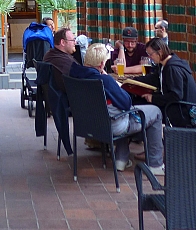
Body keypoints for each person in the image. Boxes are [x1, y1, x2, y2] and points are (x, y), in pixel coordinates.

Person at [70, 43, 164, 174]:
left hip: (87, 125)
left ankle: (121, 159)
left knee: (116, 111)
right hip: (111, 126)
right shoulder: (105, 81)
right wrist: (114, 84)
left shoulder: (74, 76)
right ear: (102, 64)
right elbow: (126, 103)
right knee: (155, 112)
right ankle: (155, 164)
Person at [142, 37, 196, 127]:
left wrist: (153, 98)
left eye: (151, 54)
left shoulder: (172, 68)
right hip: (178, 108)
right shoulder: (164, 65)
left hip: (184, 113)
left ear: (160, 52)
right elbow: (154, 78)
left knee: (146, 110)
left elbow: (175, 96)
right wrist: (133, 81)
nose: (150, 58)